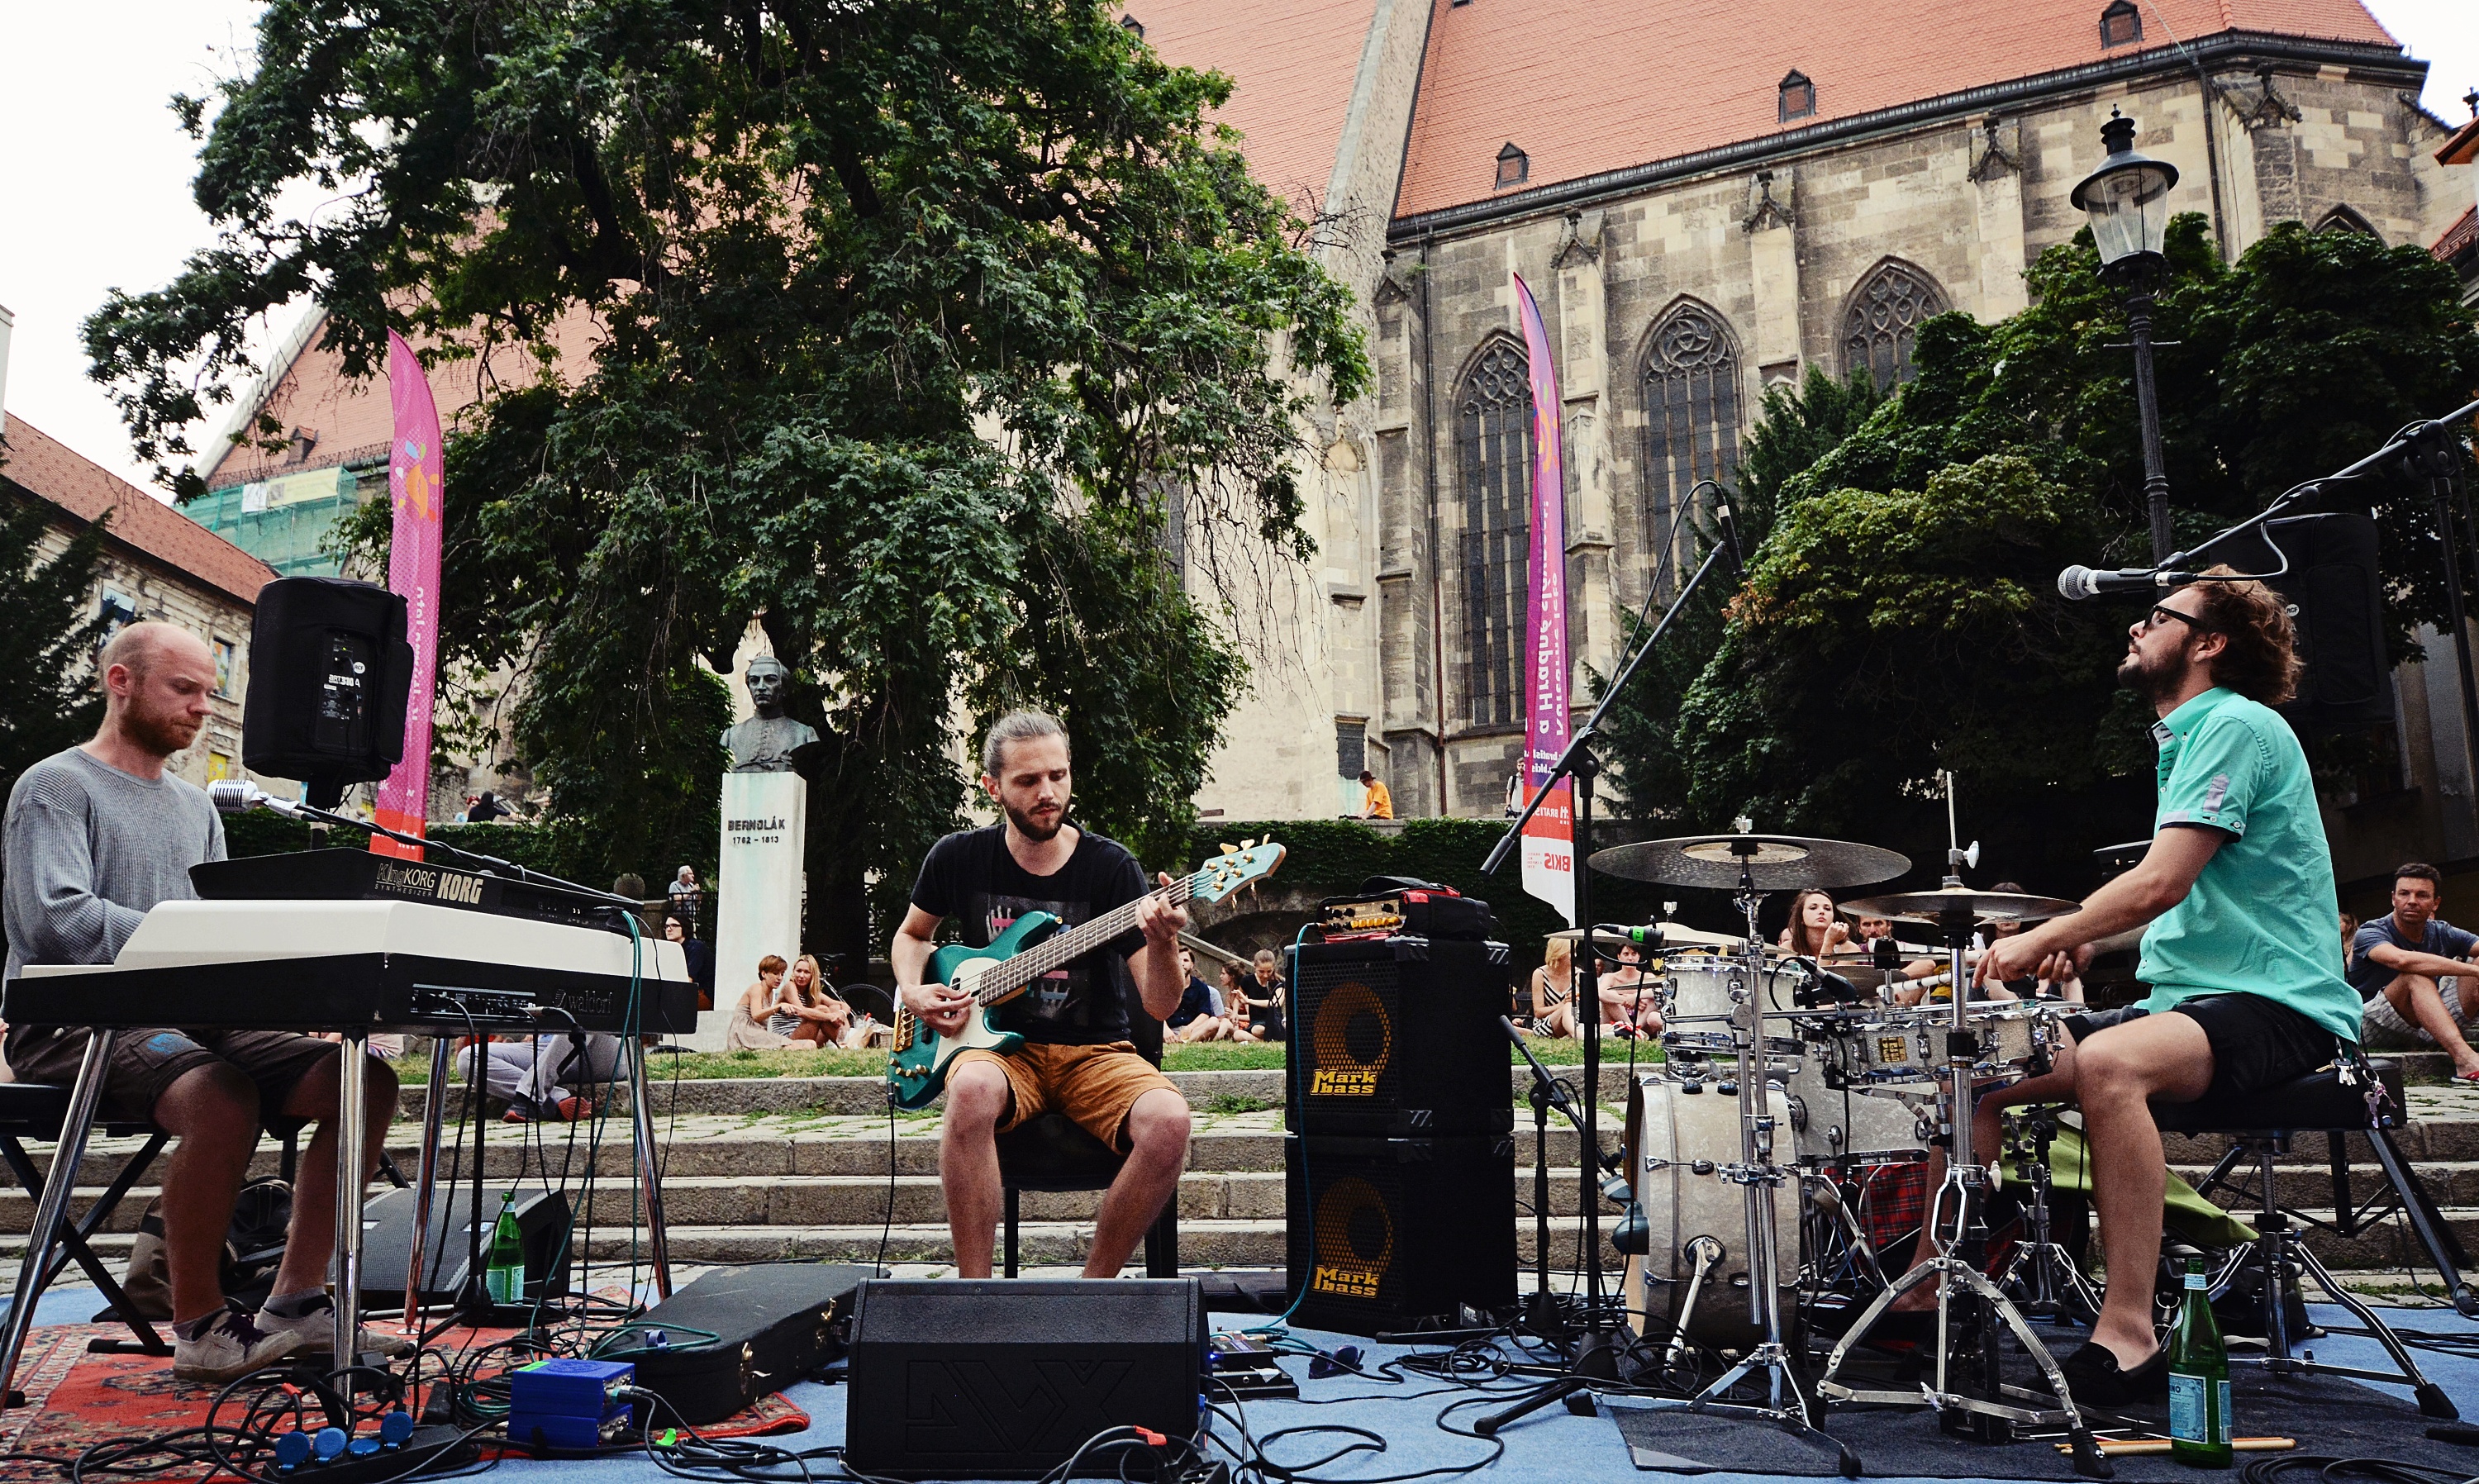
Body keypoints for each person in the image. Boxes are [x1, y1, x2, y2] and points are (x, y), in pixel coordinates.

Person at [1885, 570, 2362, 1406]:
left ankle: (2131, 1334)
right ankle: (1931, 1293)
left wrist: (2044, 935)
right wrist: (2074, 941)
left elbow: (2159, 883)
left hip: (2283, 1004)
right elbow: (2184, 902)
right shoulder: (2190, 736)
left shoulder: (2233, 724)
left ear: (2209, 642)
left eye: (2158, 616)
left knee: (2110, 1064)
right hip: (2191, 1001)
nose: (2136, 627)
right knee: (1980, 1066)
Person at [1, 623, 402, 1380]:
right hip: (71, 1020)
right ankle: (201, 1328)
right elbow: (56, 922)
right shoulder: (55, 787)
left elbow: (217, 938)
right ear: (121, 682)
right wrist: (189, 940)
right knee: (220, 1095)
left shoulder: (197, 808)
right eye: (184, 688)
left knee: (363, 1081)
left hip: (190, 1016)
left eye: (209, 692)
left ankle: (296, 1303)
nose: (201, 708)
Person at [892, 711, 1190, 1279]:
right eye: (1028, 780)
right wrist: (912, 990)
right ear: (993, 786)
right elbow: (912, 935)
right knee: (972, 1088)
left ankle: (1092, 1292)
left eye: (1058, 775)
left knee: (1170, 1119)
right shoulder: (958, 857)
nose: (1048, 793)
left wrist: (1163, 942)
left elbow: (1160, 1006)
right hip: (998, 1053)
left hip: (1096, 1053)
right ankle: (976, 1296)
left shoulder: (1111, 868)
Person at [2350, 863, 2479, 1078]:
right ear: (2393, 898)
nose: (2412, 901)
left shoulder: (2442, 931)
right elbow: (2402, 960)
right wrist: (2473, 971)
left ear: (2435, 903)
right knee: (2415, 976)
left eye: (2422, 895)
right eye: (2404, 894)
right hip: (2372, 1024)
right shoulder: (2370, 931)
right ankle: (2465, 1061)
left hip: (2426, 1022)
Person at [454, 1026, 618, 1122]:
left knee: (580, 1015)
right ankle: (554, 1099)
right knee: (469, 1057)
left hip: (600, 1051)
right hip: (546, 1047)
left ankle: (528, 1097)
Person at [774, 954, 857, 1047]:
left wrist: (841, 1014)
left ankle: (846, 1041)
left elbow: (844, 1006)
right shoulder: (789, 987)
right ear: (793, 972)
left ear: (812, 975)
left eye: (806, 972)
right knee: (822, 1010)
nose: (801, 975)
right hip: (787, 1038)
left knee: (835, 1007)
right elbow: (801, 1011)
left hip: (806, 1035)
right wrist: (830, 1017)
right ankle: (847, 1044)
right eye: (799, 971)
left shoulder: (811, 993)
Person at [726, 954, 794, 1050]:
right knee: (788, 1045)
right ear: (764, 974)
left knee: (807, 1044)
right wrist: (779, 1007)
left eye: (782, 974)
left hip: (757, 1032)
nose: (779, 978)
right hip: (744, 1032)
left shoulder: (771, 993)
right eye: (775, 973)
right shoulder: (757, 988)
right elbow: (756, 1015)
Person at [1169, 949, 1239, 1041]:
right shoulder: (1163, 986)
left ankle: (1182, 1041)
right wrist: (1165, 1029)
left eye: (1186, 960)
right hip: (1169, 1029)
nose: (1182, 963)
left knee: (1214, 1022)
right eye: (1179, 960)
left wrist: (1189, 1028)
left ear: (1192, 965)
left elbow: (1205, 1014)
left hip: (1193, 1030)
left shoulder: (1201, 987)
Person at [1596, 943, 1663, 1039]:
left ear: (1639, 957)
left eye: (1634, 954)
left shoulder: (1647, 976)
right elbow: (1600, 993)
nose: (1630, 958)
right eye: (1626, 954)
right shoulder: (1611, 977)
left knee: (1651, 997)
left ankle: (1634, 1029)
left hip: (1642, 1021)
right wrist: (1625, 1000)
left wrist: (1636, 997)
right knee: (1609, 993)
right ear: (1619, 957)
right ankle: (1631, 1029)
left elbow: (1659, 990)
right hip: (1617, 1020)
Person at [1777, 888, 1853, 959]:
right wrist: (1829, 943)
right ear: (1801, 917)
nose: (1821, 911)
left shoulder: (1849, 949)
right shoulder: (1787, 948)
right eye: (1813, 908)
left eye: (1827, 909)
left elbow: (1823, 970)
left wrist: (1829, 942)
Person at [1530, 937, 1579, 1039]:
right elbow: (1538, 1012)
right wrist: (1563, 1004)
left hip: (1574, 1020)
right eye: (1571, 952)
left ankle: (1572, 1034)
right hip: (1546, 1023)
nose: (1575, 955)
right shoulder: (1540, 974)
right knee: (1568, 1005)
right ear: (1559, 953)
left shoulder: (1578, 974)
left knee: (1570, 1007)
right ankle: (1575, 1035)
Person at [664, 913, 716, 1009]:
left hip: (703, 994)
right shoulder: (671, 949)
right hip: (684, 992)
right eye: (667, 926)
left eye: (674, 925)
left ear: (684, 927)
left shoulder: (696, 947)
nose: (669, 929)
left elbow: (688, 979)